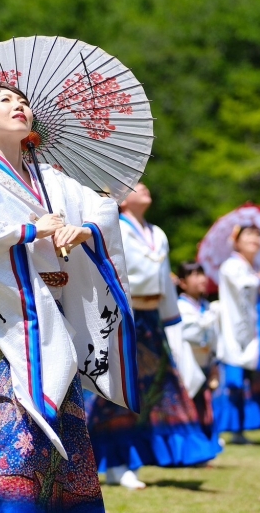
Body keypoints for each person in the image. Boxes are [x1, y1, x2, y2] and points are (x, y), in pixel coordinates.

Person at [0, 81, 140, 512]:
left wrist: (84, 229)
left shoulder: (50, 179)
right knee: (19, 431)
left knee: (64, 431)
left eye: (22, 101)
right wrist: (34, 229)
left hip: (58, 318)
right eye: (5, 101)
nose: (19, 105)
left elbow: (104, 208)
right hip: (10, 321)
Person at [86, 184, 218, 489]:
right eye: (136, 186)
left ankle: (135, 458)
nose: (143, 187)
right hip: (124, 316)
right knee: (121, 390)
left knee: (158, 388)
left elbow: (165, 279)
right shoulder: (115, 225)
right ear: (122, 198)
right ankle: (118, 462)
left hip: (153, 318)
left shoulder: (158, 233)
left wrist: (172, 318)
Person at [214, 225, 260, 444]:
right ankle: (218, 429)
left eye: (258, 235)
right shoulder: (232, 265)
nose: (254, 238)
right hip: (234, 331)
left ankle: (239, 429)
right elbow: (244, 285)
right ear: (236, 241)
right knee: (232, 381)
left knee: (247, 382)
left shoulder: (257, 267)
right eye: (249, 234)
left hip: (254, 332)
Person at [176, 262, 219, 445]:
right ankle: (192, 443)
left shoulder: (206, 306)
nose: (201, 279)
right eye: (194, 275)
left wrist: (215, 363)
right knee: (190, 404)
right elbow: (189, 333)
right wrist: (208, 320)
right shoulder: (180, 307)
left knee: (205, 404)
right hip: (187, 365)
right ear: (183, 283)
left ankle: (206, 440)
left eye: (202, 274)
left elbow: (214, 337)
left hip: (205, 362)